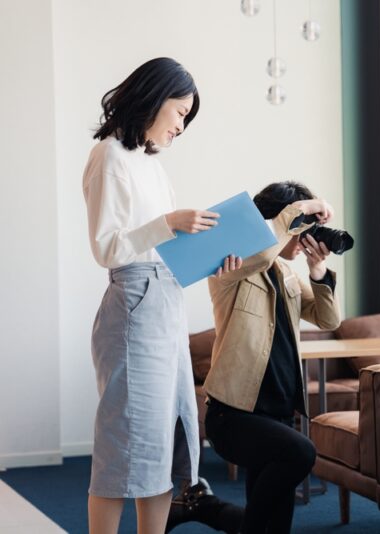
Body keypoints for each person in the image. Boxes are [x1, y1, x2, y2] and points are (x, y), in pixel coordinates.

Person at [83, 57, 243, 534]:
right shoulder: (109, 155)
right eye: (180, 113)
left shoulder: (152, 165)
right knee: (123, 445)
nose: (181, 127)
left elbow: (162, 251)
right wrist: (171, 223)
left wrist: (213, 259)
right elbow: (107, 247)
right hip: (133, 307)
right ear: (153, 100)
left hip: (165, 303)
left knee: (167, 442)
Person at [203, 181, 341, 534]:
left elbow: (329, 320)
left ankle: (206, 508)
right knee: (302, 453)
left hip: (278, 412)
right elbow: (264, 252)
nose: (305, 236)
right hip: (234, 413)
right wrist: (304, 210)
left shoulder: (287, 275)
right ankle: (215, 511)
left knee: (276, 525)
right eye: (301, 228)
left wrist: (318, 271)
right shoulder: (230, 266)